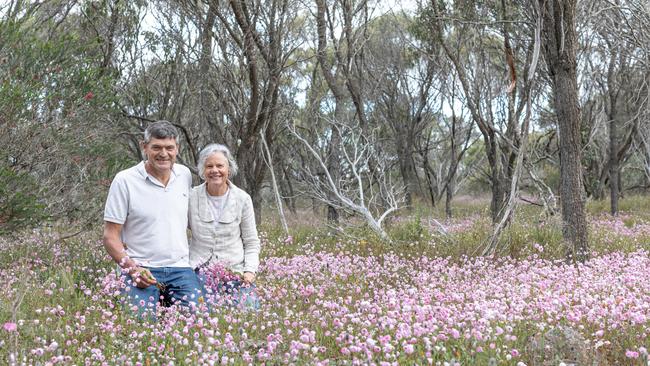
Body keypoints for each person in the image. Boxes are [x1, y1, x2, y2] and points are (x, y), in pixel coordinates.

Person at [103, 121, 204, 317]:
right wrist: (133, 270)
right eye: (156, 147)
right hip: (142, 267)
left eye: (169, 148)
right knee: (141, 323)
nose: (163, 154)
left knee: (200, 321)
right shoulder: (125, 180)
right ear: (144, 147)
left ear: (177, 149)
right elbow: (110, 237)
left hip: (180, 268)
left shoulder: (184, 175)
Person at [189, 143, 261, 309]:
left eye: (220, 165)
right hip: (198, 271)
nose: (215, 170)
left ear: (228, 168)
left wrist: (249, 271)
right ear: (202, 170)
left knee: (248, 311)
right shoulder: (191, 197)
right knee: (198, 313)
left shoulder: (243, 198)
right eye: (209, 166)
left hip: (234, 271)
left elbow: (251, 242)